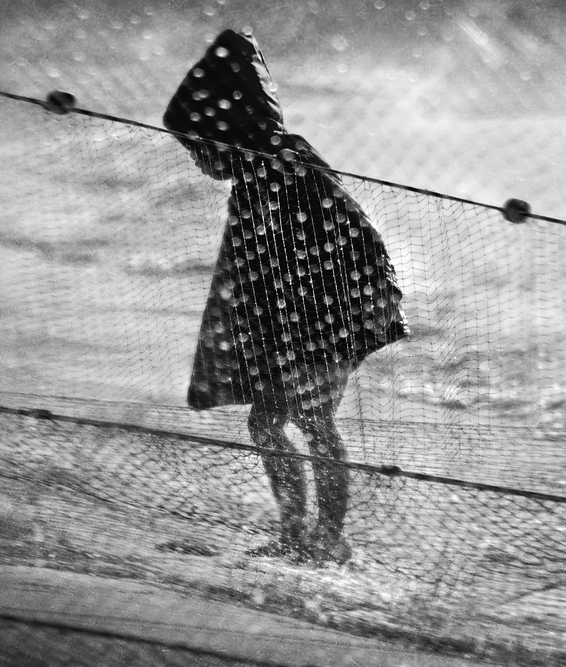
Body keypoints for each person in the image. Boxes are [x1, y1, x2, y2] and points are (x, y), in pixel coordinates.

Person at [163, 30, 408, 564]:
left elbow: (350, 240)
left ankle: (326, 539)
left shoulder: (279, 164)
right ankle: (300, 534)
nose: (198, 162)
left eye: (198, 147)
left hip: (334, 317)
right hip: (317, 319)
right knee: (273, 421)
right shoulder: (263, 168)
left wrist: (329, 323)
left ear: (225, 132)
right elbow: (265, 266)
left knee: (313, 422)